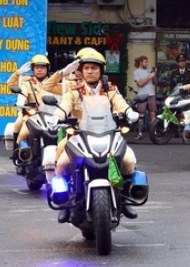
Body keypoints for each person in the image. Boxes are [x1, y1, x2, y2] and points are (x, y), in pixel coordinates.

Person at [54, 49, 140, 222]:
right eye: (86, 68)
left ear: (101, 71)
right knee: (61, 163)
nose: (90, 71)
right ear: (81, 71)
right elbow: (64, 106)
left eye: (94, 68)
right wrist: (57, 116)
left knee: (129, 160)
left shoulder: (111, 90)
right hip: (78, 135)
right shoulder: (74, 91)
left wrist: (130, 112)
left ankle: (124, 199)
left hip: (109, 135)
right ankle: (65, 202)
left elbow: (121, 104)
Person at [132, 56, 157, 141]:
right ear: (140, 62)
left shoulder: (149, 71)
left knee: (153, 113)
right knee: (141, 115)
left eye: (147, 62)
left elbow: (154, 82)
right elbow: (140, 83)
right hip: (142, 95)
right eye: (145, 62)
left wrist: (154, 75)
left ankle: (154, 132)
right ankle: (140, 133)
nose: (147, 63)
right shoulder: (136, 72)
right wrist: (149, 77)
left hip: (151, 94)